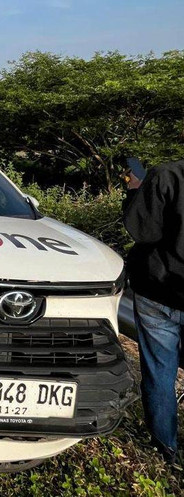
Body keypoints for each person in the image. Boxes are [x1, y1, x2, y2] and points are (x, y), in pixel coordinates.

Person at [123, 160, 184, 465]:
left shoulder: (165, 175)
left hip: (158, 292)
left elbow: (142, 231)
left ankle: (166, 451)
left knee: (160, 373)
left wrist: (136, 191)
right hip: (160, 293)